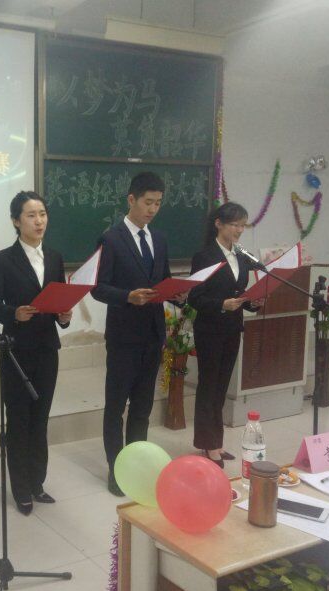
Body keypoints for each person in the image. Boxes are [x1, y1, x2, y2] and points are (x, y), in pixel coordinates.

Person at [0, 191, 72, 516]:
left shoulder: (55, 257)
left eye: (43, 214)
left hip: (47, 349)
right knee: (19, 421)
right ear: (16, 221)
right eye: (31, 215)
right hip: (16, 351)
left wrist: (64, 316)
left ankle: (37, 482)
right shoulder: (3, 259)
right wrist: (14, 314)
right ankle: (20, 488)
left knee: (40, 419)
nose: (39, 221)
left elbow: (59, 300)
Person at [92, 172, 180, 496]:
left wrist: (178, 293)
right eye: (148, 202)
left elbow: (164, 279)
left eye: (158, 203)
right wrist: (127, 296)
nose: (153, 209)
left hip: (153, 334)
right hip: (123, 336)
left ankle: (137, 463)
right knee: (116, 406)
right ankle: (116, 469)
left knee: (143, 406)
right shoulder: (111, 239)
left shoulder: (160, 239)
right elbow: (98, 288)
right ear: (131, 199)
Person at [187, 202, 260, 468]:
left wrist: (253, 303)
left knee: (221, 387)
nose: (239, 230)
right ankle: (208, 444)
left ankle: (215, 442)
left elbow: (240, 294)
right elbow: (195, 298)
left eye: (243, 225)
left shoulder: (241, 256)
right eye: (235, 225)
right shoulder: (204, 256)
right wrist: (221, 304)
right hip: (209, 329)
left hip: (232, 328)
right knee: (208, 386)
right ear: (218, 224)